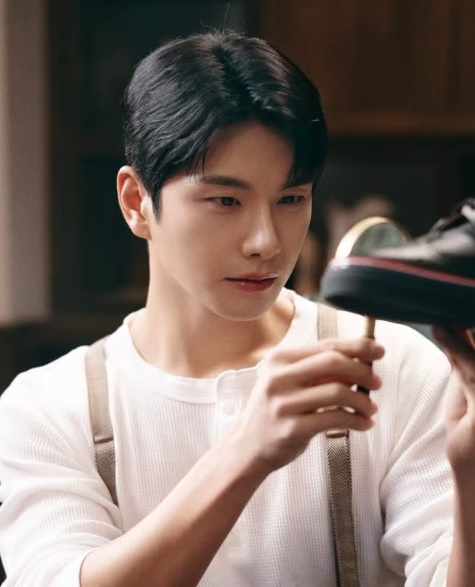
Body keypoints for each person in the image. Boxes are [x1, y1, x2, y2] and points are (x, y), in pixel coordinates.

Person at [0, 30, 471, 587]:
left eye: (291, 199)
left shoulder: (395, 367)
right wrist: (247, 451)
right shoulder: (50, 408)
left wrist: (469, 476)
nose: (266, 242)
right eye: (226, 200)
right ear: (136, 203)